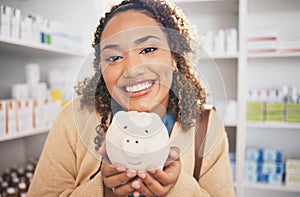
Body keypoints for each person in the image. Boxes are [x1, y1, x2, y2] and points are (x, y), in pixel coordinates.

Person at [27, 0, 235, 196]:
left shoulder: (205, 127)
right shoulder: (73, 119)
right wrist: (103, 190)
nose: (133, 70)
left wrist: (176, 186)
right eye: (114, 57)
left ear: (173, 57)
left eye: (148, 49)